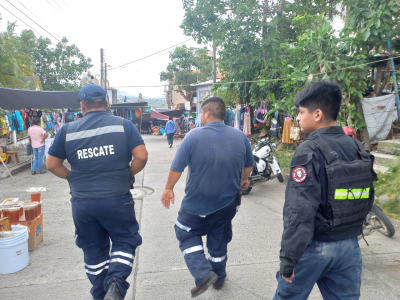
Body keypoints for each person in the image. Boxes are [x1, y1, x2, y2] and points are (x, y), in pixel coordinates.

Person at [274, 81, 377, 300]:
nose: (298, 118)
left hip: (315, 248)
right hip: (350, 249)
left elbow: (299, 211)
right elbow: (368, 198)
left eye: (301, 112)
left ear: (317, 114)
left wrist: (289, 259)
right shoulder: (357, 148)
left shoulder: (308, 150)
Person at [46, 83, 148, 300]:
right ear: (107, 103)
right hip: (117, 199)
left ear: (82, 105)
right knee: (124, 241)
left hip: (83, 202)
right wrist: (127, 174)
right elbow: (141, 157)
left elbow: (52, 164)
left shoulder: (66, 130)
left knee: (93, 248)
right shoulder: (124, 125)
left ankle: (101, 294)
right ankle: (116, 284)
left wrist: (73, 177)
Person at [161, 97, 254, 298]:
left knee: (185, 231)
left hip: (197, 205)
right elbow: (248, 165)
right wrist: (244, 180)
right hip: (228, 204)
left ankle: (203, 273)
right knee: (218, 234)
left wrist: (169, 188)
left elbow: (177, 167)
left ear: (206, 113)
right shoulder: (240, 136)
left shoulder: (193, 136)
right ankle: (219, 278)